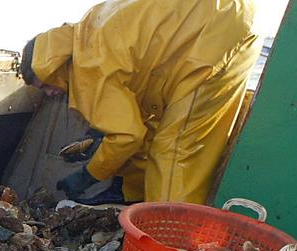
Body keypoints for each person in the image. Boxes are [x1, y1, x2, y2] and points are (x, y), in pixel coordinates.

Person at [21, 0, 261, 205]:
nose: (50, 94)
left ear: (51, 68)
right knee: (152, 121)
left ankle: (170, 240)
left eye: (44, 86)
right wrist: (100, 130)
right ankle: (129, 194)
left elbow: (128, 136)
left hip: (211, 42)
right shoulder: (88, 32)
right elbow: (137, 116)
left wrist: (89, 174)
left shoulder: (87, 69)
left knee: (175, 151)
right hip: (221, 21)